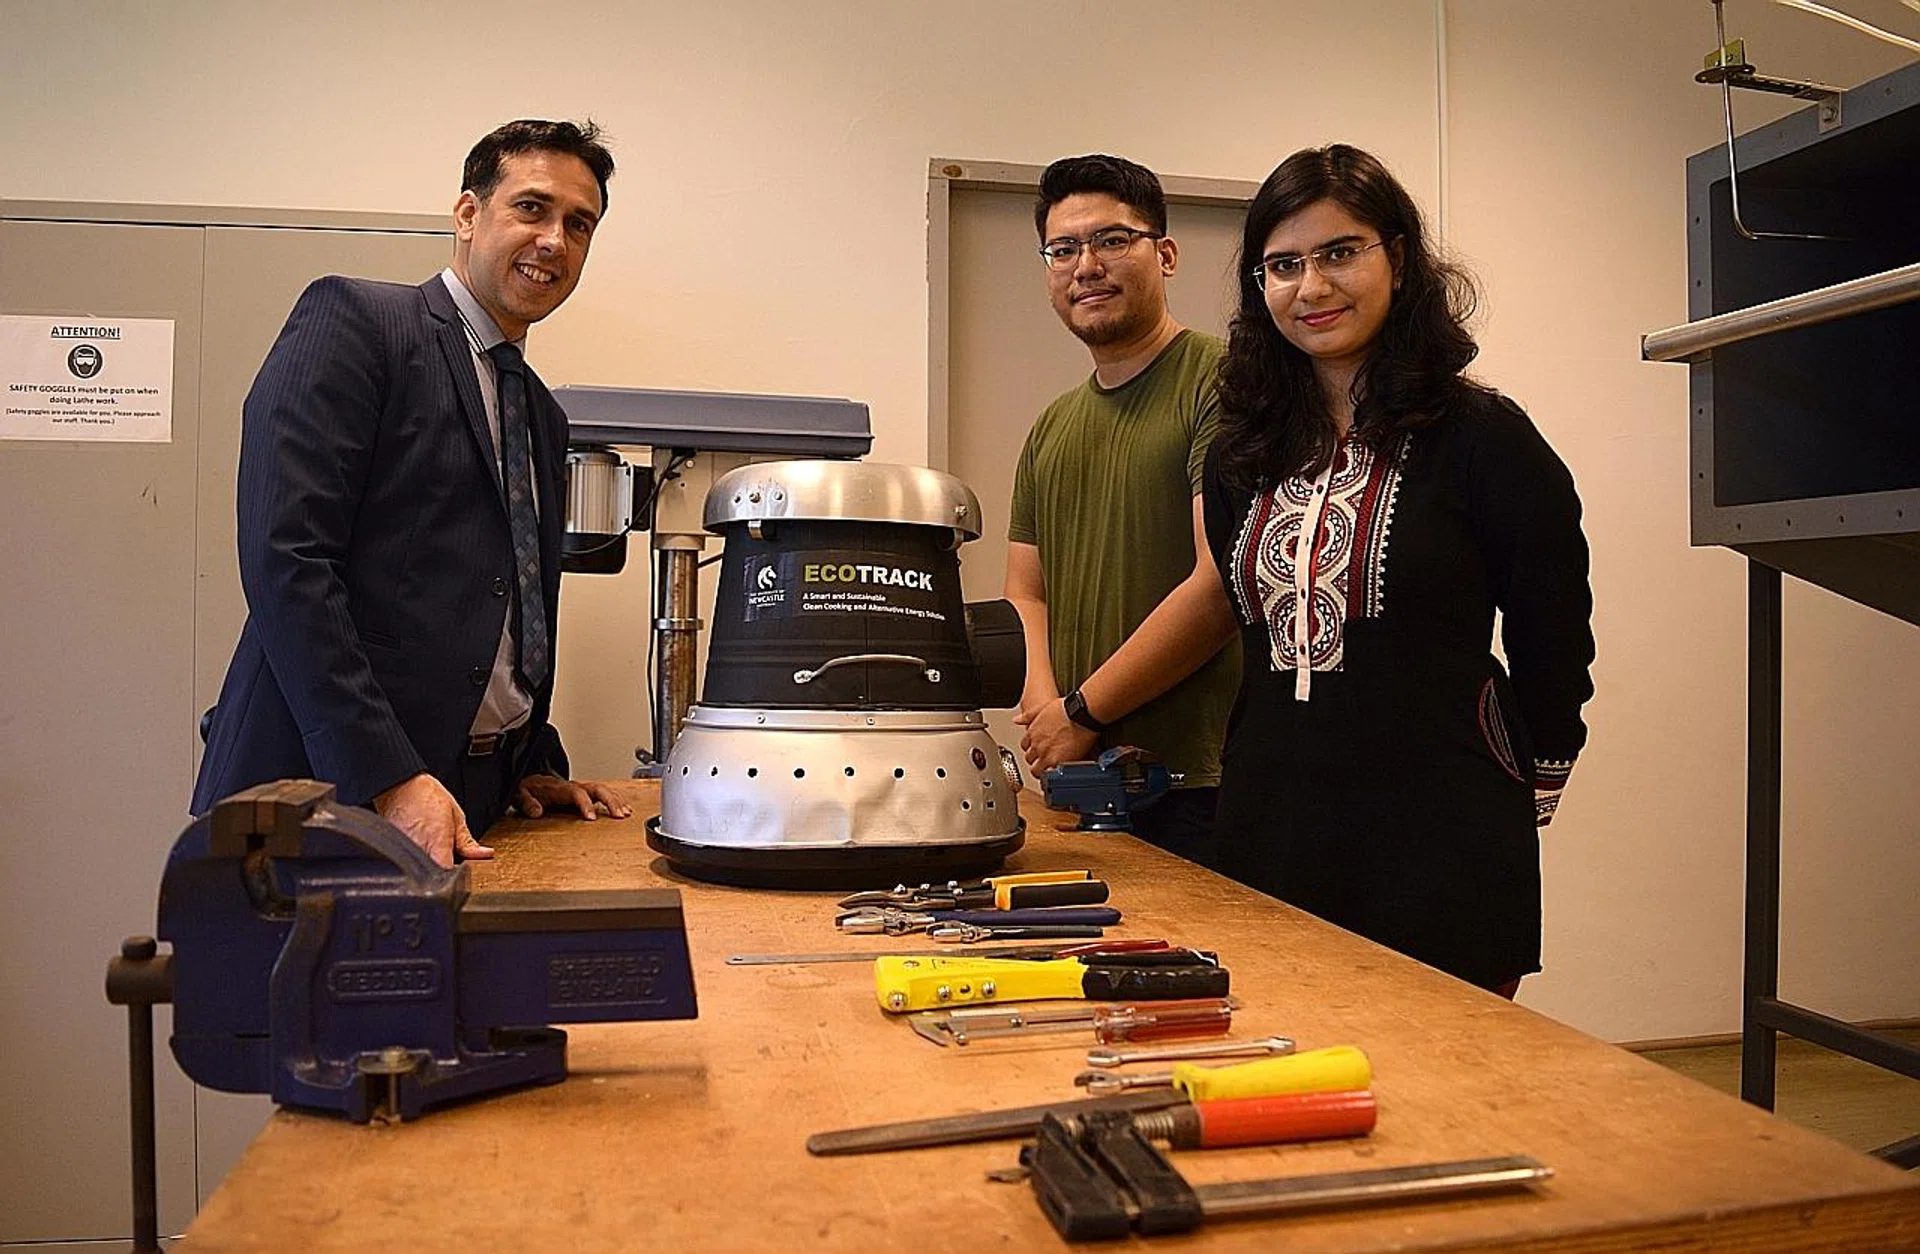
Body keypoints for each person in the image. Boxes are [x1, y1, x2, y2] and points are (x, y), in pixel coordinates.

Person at [1198, 144, 1595, 995]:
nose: (1312, 287)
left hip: (1440, 832)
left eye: (1341, 252)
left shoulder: (1485, 439)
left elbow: (1553, 628)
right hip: (1273, 827)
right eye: (1283, 265)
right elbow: (1251, 630)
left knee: (1447, 1094)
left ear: (1400, 260)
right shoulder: (1240, 455)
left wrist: (1535, 771)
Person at [192, 119, 631, 869]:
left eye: (578, 223)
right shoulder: (360, 324)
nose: (555, 239)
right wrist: (391, 777)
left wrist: (529, 760)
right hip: (326, 804)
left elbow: (504, 597)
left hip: (475, 802)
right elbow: (288, 562)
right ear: (468, 214)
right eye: (531, 208)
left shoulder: (542, 414)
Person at [1005, 154, 1241, 869]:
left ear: (1164, 254)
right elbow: (1026, 589)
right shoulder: (1052, 424)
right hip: (1081, 782)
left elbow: (1218, 583)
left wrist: (1080, 713)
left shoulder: (1224, 381)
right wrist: (1051, 716)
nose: (1086, 265)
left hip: (1199, 783)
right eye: (1063, 249)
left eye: (1112, 240)